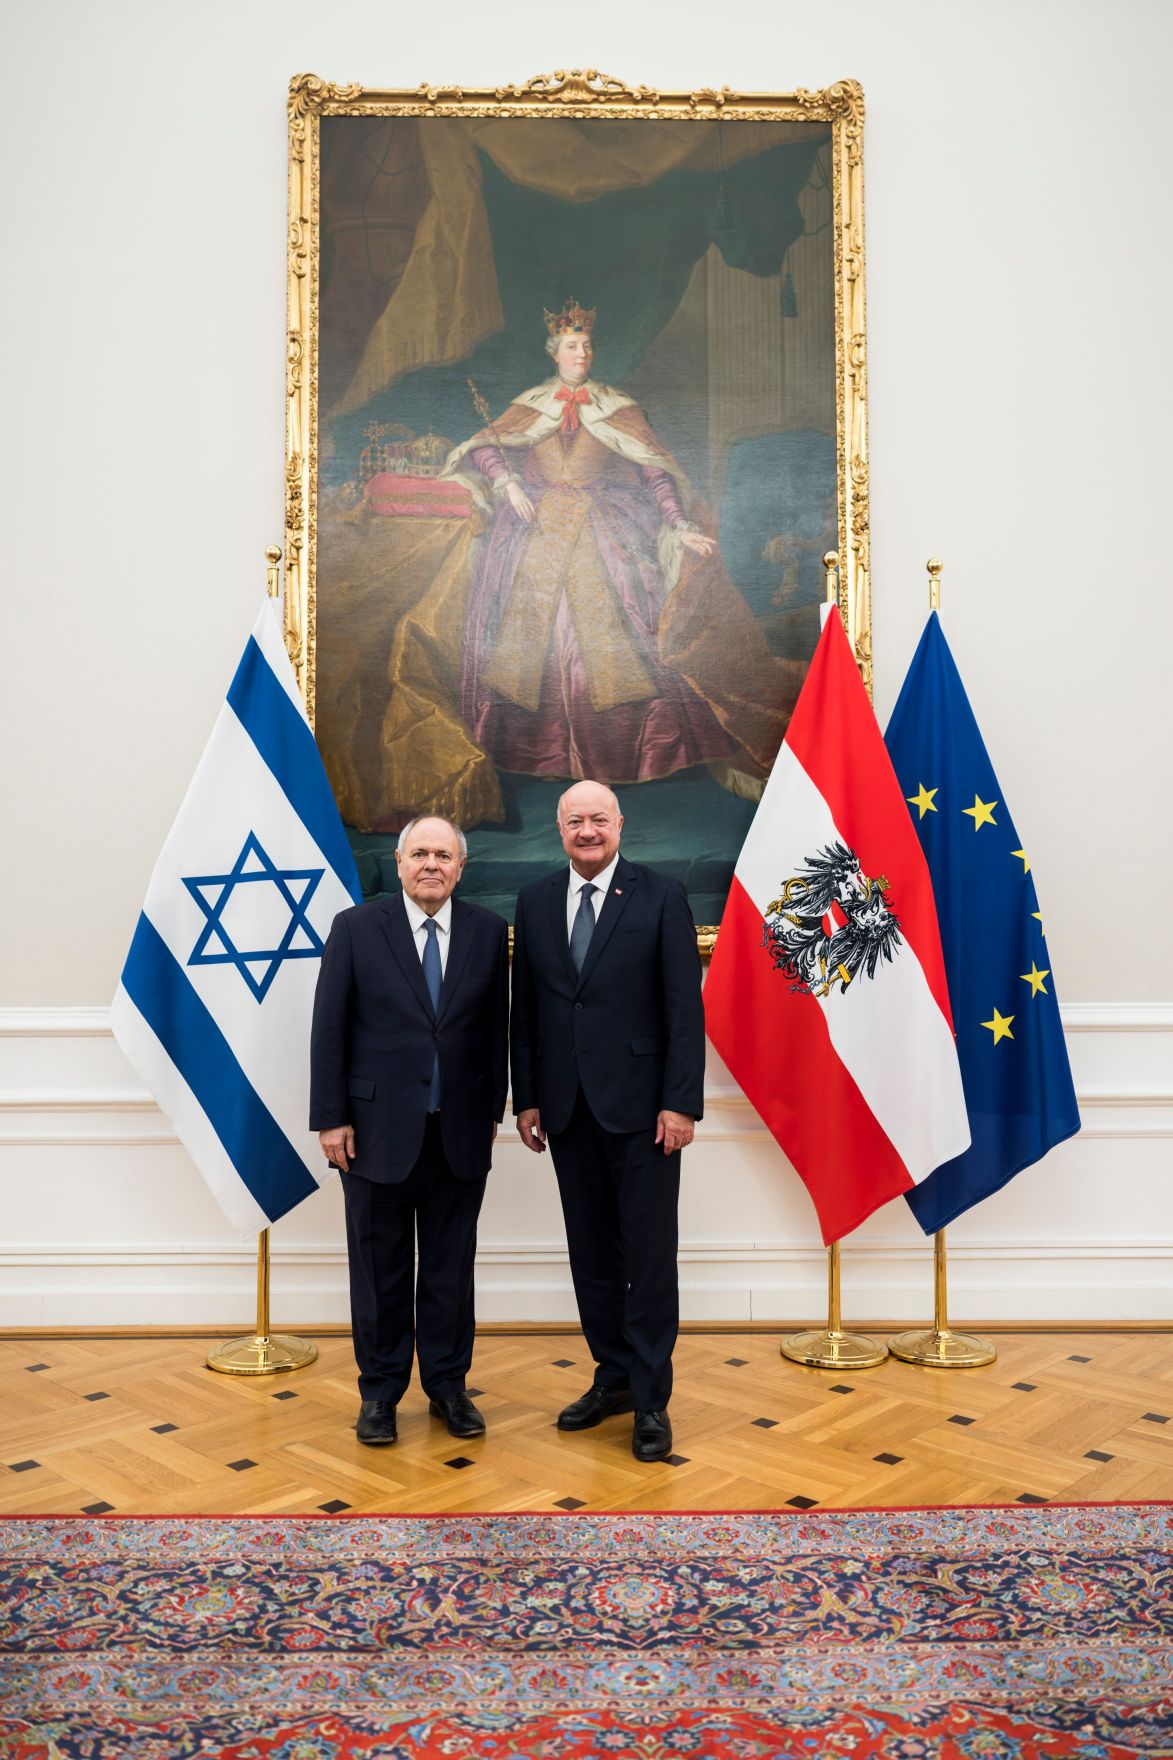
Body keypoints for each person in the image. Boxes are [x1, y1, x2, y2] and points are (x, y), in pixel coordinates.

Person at [440, 300, 797, 790]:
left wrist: (679, 524)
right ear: (554, 353)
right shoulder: (531, 404)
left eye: (586, 346)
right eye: (572, 346)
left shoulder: (617, 408)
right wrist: (509, 483)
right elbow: (484, 447)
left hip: (602, 524)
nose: (581, 354)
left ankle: (617, 754)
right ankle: (539, 753)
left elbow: (655, 472)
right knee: (529, 635)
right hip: (534, 527)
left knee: (618, 621)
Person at [511, 780, 705, 1461]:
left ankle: (651, 1400)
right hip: (566, 1110)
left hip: (646, 1113)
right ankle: (613, 1379)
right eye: (575, 821)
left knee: (646, 1259)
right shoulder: (535, 900)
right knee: (591, 1257)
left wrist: (680, 1102)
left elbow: (684, 1010)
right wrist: (527, 1097)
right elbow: (527, 1012)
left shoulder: (661, 895)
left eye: (598, 818)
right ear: (558, 828)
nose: (587, 830)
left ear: (620, 823)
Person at [310, 816, 508, 1446]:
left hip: (460, 1133)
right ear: (398, 862)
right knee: (380, 1271)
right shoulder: (355, 928)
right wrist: (330, 1117)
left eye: (443, 855)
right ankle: (380, 1393)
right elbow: (329, 1029)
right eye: (419, 853)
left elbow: (498, 1030)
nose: (431, 865)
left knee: (450, 1270)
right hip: (372, 1134)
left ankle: (449, 1387)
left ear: (460, 867)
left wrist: (495, 1110)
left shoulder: (487, 930)